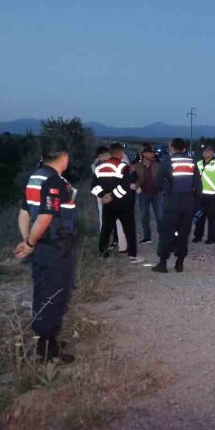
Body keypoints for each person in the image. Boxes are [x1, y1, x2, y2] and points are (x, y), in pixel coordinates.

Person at [13, 138, 78, 363]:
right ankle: (48, 353)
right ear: (64, 157)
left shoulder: (35, 177)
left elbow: (23, 212)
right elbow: (45, 217)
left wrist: (27, 240)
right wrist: (30, 243)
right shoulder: (54, 181)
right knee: (54, 294)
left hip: (43, 246)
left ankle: (46, 340)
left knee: (42, 291)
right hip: (55, 248)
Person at [153, 138, 201, 273]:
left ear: (172, 148)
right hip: (188, 203)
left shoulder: (167, 161)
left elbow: (157, 183)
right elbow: (198, 185)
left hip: (171, 202)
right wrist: (196, 204)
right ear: (184, 149)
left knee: (166, 232)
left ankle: (162, 263)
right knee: (184, 233)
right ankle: (179, 263)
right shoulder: (192, 162)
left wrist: (163, 190)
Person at [92, 142, 140, 262]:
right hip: (123, 204)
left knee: (106, 229)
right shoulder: (123, 167)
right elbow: (125, 186)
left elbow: (93, 186)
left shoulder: (99, 168)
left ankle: (102, 252)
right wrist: (113, 196)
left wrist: (102, 195)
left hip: (107, 204)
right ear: (120, 153)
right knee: (129, 229)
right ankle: (132, 254)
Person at [193, 145, 215, 244]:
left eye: (209, 151)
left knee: (213, 218)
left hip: (214, 196)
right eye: (205, 151)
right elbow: (194, 178)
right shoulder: (198, 163)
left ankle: (212, 238)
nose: (206, 153)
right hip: (199, 196)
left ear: (213, 153)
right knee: (199, 217)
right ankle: (198, 236)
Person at [132, 143, 162, 244]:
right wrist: (136, 187)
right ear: (144, 154)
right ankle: (147, 237)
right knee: (144, 215)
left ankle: (162, 236)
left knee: (159, 216)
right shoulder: (137, 166)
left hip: (156, 193)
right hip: (143, 194)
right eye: (150, 153)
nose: (152, 155)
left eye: (153, 153)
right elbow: (130, 177)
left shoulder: (157, 165)